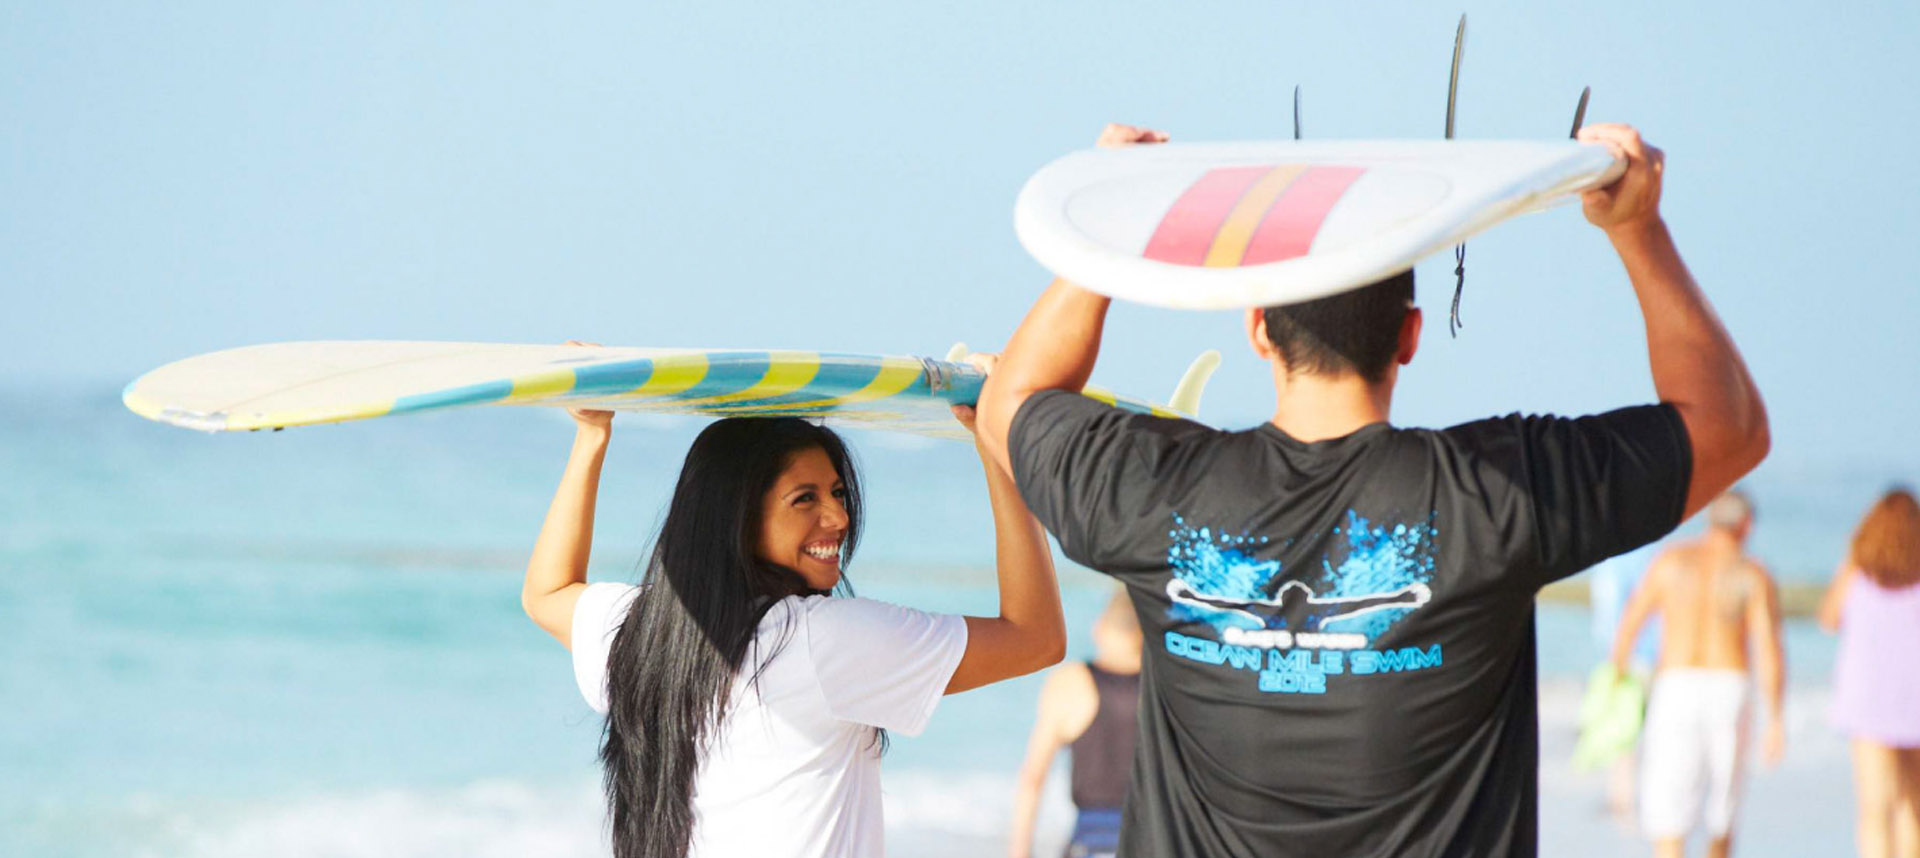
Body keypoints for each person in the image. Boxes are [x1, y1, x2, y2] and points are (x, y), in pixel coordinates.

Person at [975, 122, 1769, 856]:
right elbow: (1729, 430)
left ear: (1257, 328)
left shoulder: (1156, 491)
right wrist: (1637, 228)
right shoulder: (1496, 490)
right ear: (1410, 336)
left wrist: (1109, 233)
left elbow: (1007, 404)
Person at [521, 352, 1066, 858]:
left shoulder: (644, 633)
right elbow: (1035, 637)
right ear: (737, 516)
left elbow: (547, 591)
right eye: (804, 498)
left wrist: (592, 434)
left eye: (838, 493)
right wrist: (998, 447)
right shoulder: (818, 640)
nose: (839, 518)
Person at [1610, 490, 1786, 858]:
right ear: (1747, 524)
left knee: (1670, 812)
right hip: (1729, 687)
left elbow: (1630, 624)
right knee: (1722, 810)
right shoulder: (1752, 573)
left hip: (1676, 686)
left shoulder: (1671, 562)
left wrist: (1617, 680)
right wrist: (1775, 718)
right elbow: (1768, 648)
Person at [1819, 488, 1920, 858]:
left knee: (1875, 809)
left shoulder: (1857, 569)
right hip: (1915, 698)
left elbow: (1829, 618)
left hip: (1868, 700)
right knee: (1915, 807)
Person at [1009, 588, 1144, 858]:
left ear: (1100, 628)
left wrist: (1019, 853)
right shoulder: (1165, 687)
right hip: (1152, 837)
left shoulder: (1071, 682)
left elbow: (1033, 779)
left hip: (1092, 841)